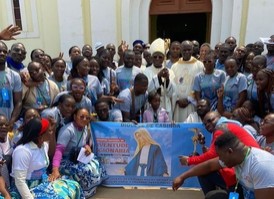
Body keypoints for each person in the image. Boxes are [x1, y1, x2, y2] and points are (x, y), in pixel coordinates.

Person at [173, 123, 260, 198]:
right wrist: (182, 177)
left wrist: (189, 161)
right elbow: (209, 165)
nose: (219, 160)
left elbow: (210, 157)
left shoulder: (259, 165)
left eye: (220, 156)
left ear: (229, 151)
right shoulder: (232, 157)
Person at [11, 118, 83, 199]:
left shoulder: (44, 145)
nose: (52, 133)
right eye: (49, 131)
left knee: (74, 186)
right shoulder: (22, 151)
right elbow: (19, 182)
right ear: (40, 135)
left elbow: (53, 150)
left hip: (42, 182)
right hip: (27, 188)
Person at [50, 108, 106, 198]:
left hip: (78, 157)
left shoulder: (85, 129)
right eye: (81, 117)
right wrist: (55, 170)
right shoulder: (68, 130)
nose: (84, 119)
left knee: (96, 163)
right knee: (85, 170)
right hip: (64, 161)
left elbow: (84, 143)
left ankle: (89, 190)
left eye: (87, 118)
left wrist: (87, 147)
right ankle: (80, 191)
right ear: (75, 117)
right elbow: (59, 151)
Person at [171, 40, 204, 122]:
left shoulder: (199, 65)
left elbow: (200, 85)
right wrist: (178, 99)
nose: (187, 52)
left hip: (192, 104)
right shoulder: (174, 66)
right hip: (178, 105)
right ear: (181, 50)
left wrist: (189, 99)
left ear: (192, 50)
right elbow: (172, 85)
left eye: (189, 50)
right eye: (184, 50)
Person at [143, 38, 176, 120]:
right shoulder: (146, 71)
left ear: (164, 58)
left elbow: (172, 92)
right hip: (151, 105)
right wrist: (158, 76)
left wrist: (167, 79)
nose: (157, 59)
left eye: (160, 57)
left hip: (165, 103)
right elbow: (148, 90)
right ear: (152, 57)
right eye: (155, 56)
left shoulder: (170, 72)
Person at [0, 41, 22, 130]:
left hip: (7, 124)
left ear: (8, 53)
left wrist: (11, 121)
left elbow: (18, 102)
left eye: (4, 51)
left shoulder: (14, 75)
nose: (2, 53)